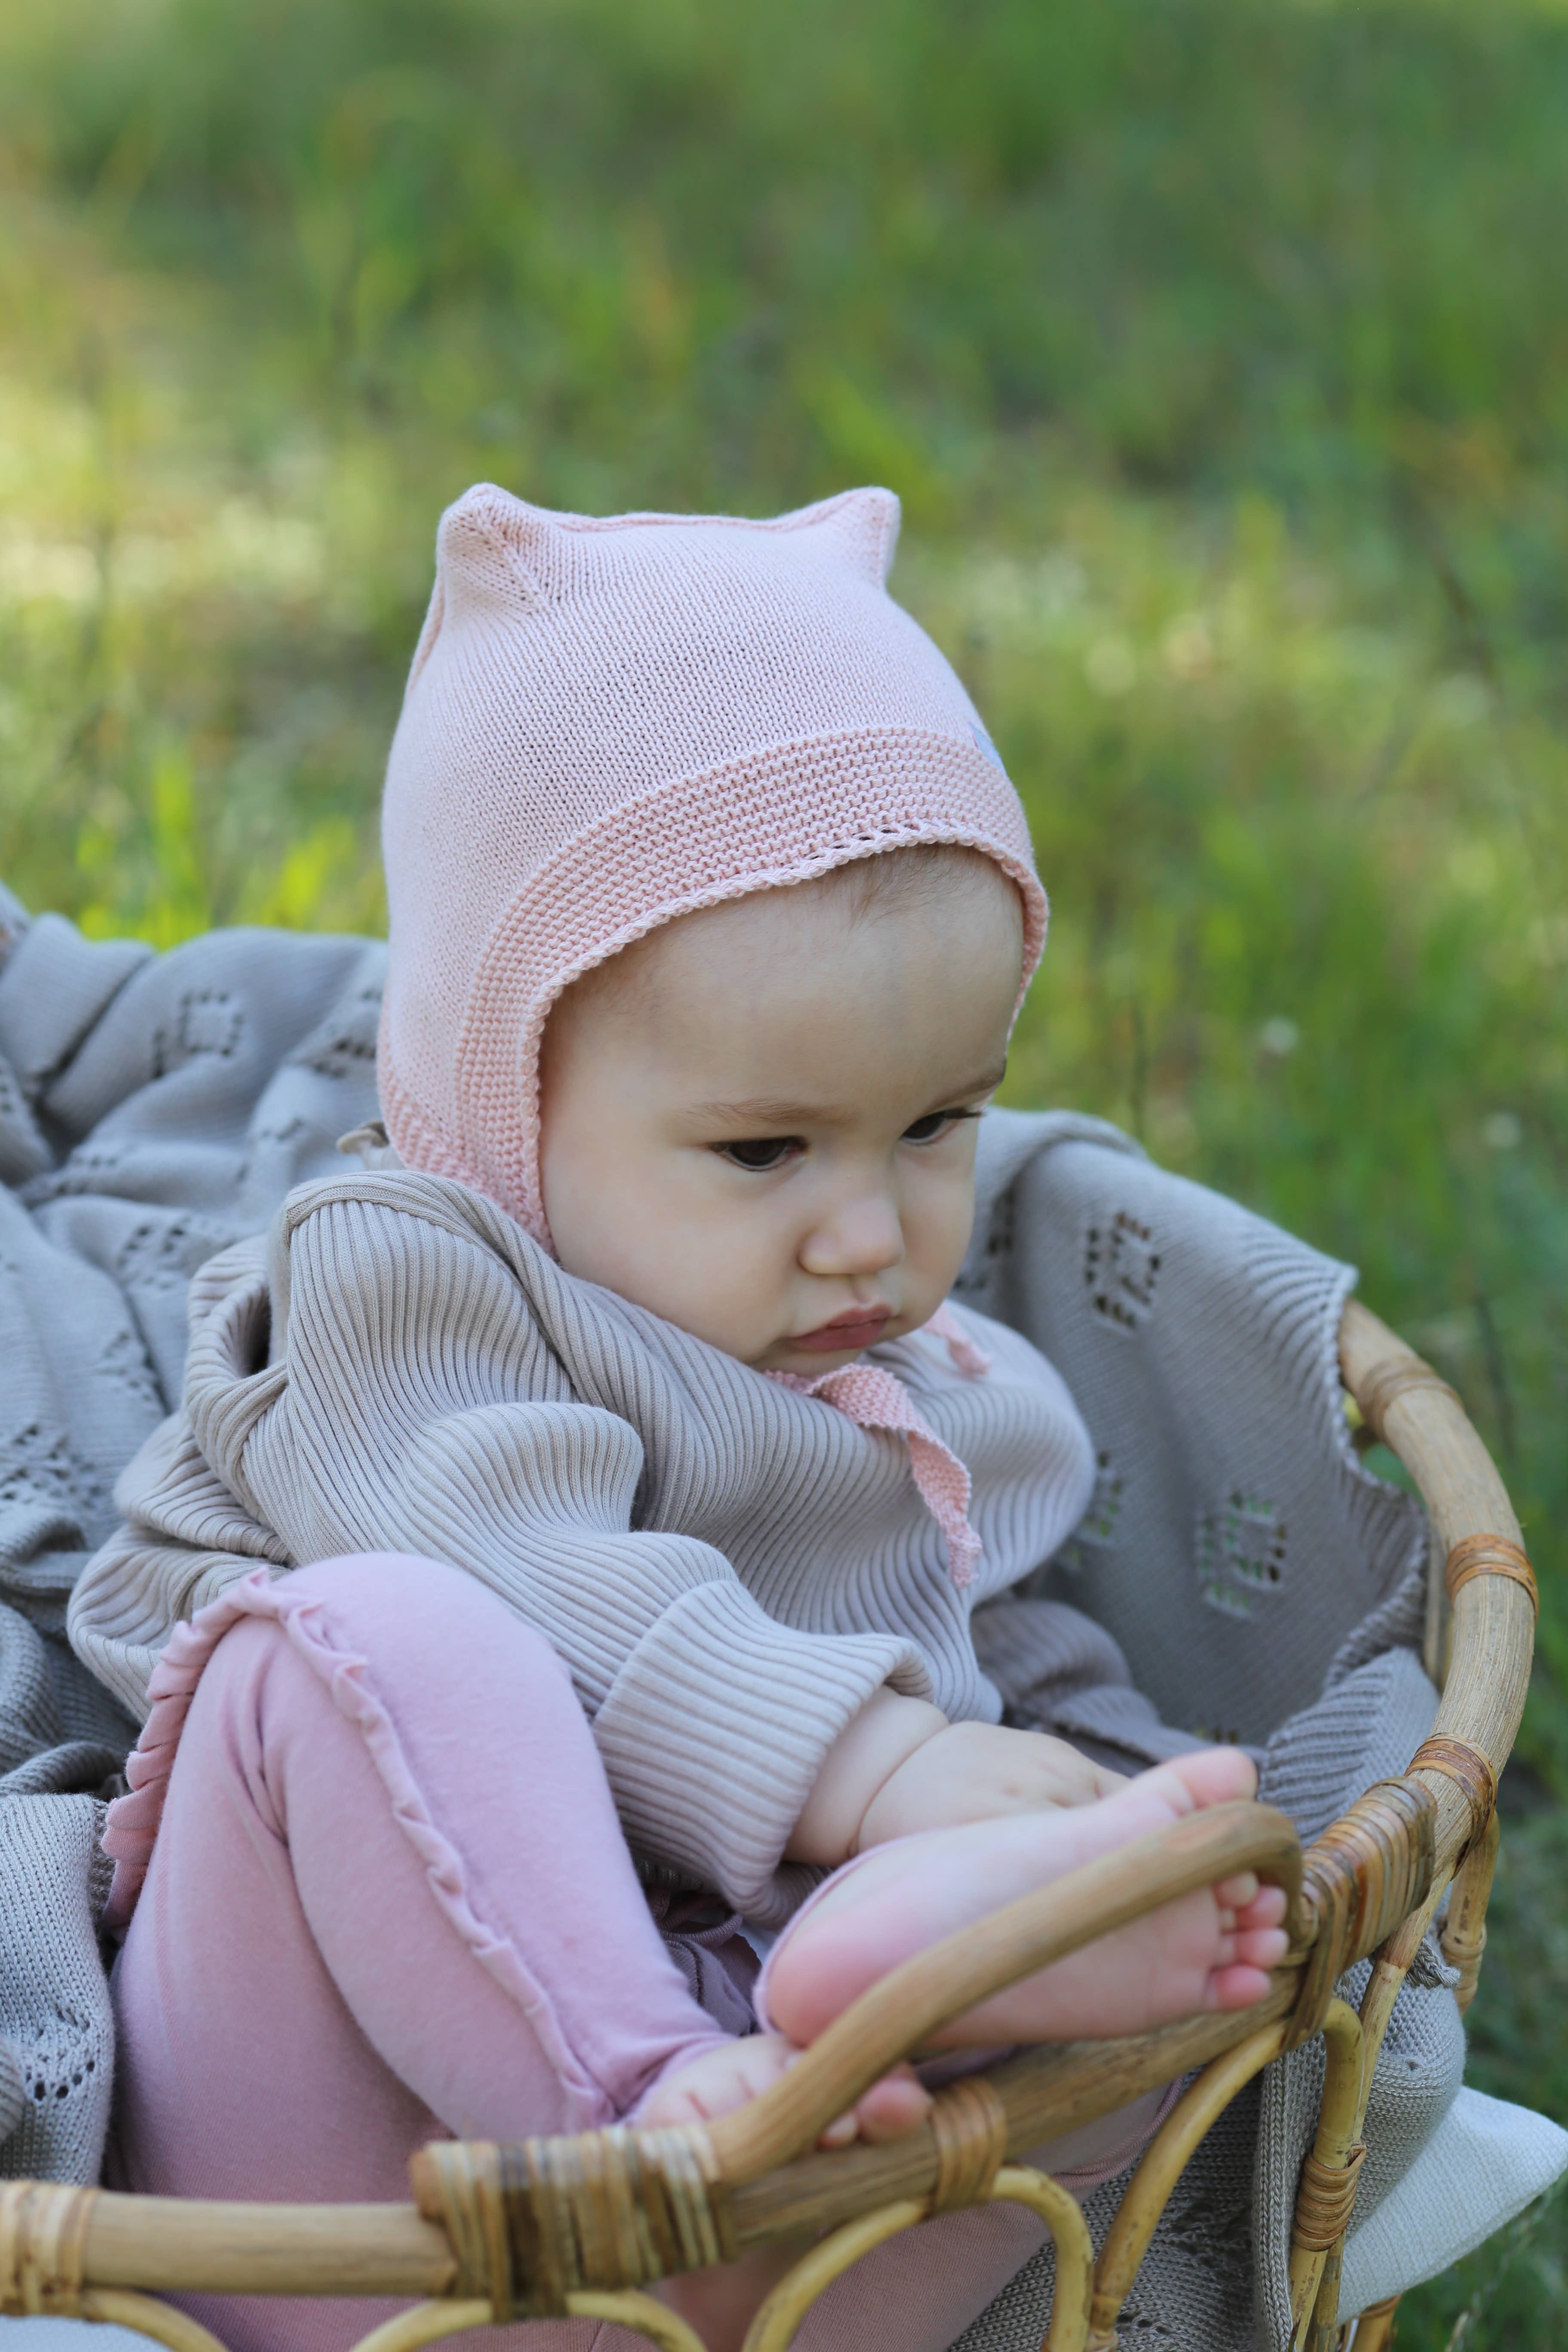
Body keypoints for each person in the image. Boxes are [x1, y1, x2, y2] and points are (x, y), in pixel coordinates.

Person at [73, 486, 1287, 2352]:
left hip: (777, 2182)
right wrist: (874, 1777)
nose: (872, 1229)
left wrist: (1106, 1815)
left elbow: (1005, 1646)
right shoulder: (409, 1277)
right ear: (500, 1095)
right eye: (763, 1148)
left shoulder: (941, 1398)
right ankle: (652, 2102)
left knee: (1175, 1968)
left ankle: (861, 2051)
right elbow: (536, 1570)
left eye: (939, 1124)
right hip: (323, 2176)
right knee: (367, 1643)